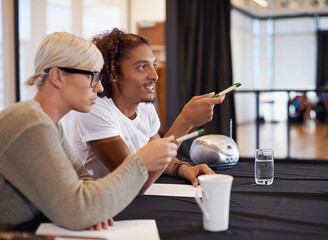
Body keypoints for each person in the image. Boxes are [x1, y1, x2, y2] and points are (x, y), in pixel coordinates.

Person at [0, 32, 177, 231]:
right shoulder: (30, 123)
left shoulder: (51, 125)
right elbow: (78, 211)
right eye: (92, 76)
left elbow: (82, 180)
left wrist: (93, 208)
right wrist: (140, 162)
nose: (100, 87)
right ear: (58, 76)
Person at [68, 28, 224, 194]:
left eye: (153, 65)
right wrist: (185, 122)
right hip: (101, 203)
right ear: (114, 74)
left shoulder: (143, 106)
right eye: (142, 67)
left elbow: (156, 153)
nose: (155, 75)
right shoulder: (95, 110)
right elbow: (133, 183)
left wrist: (183, 169)